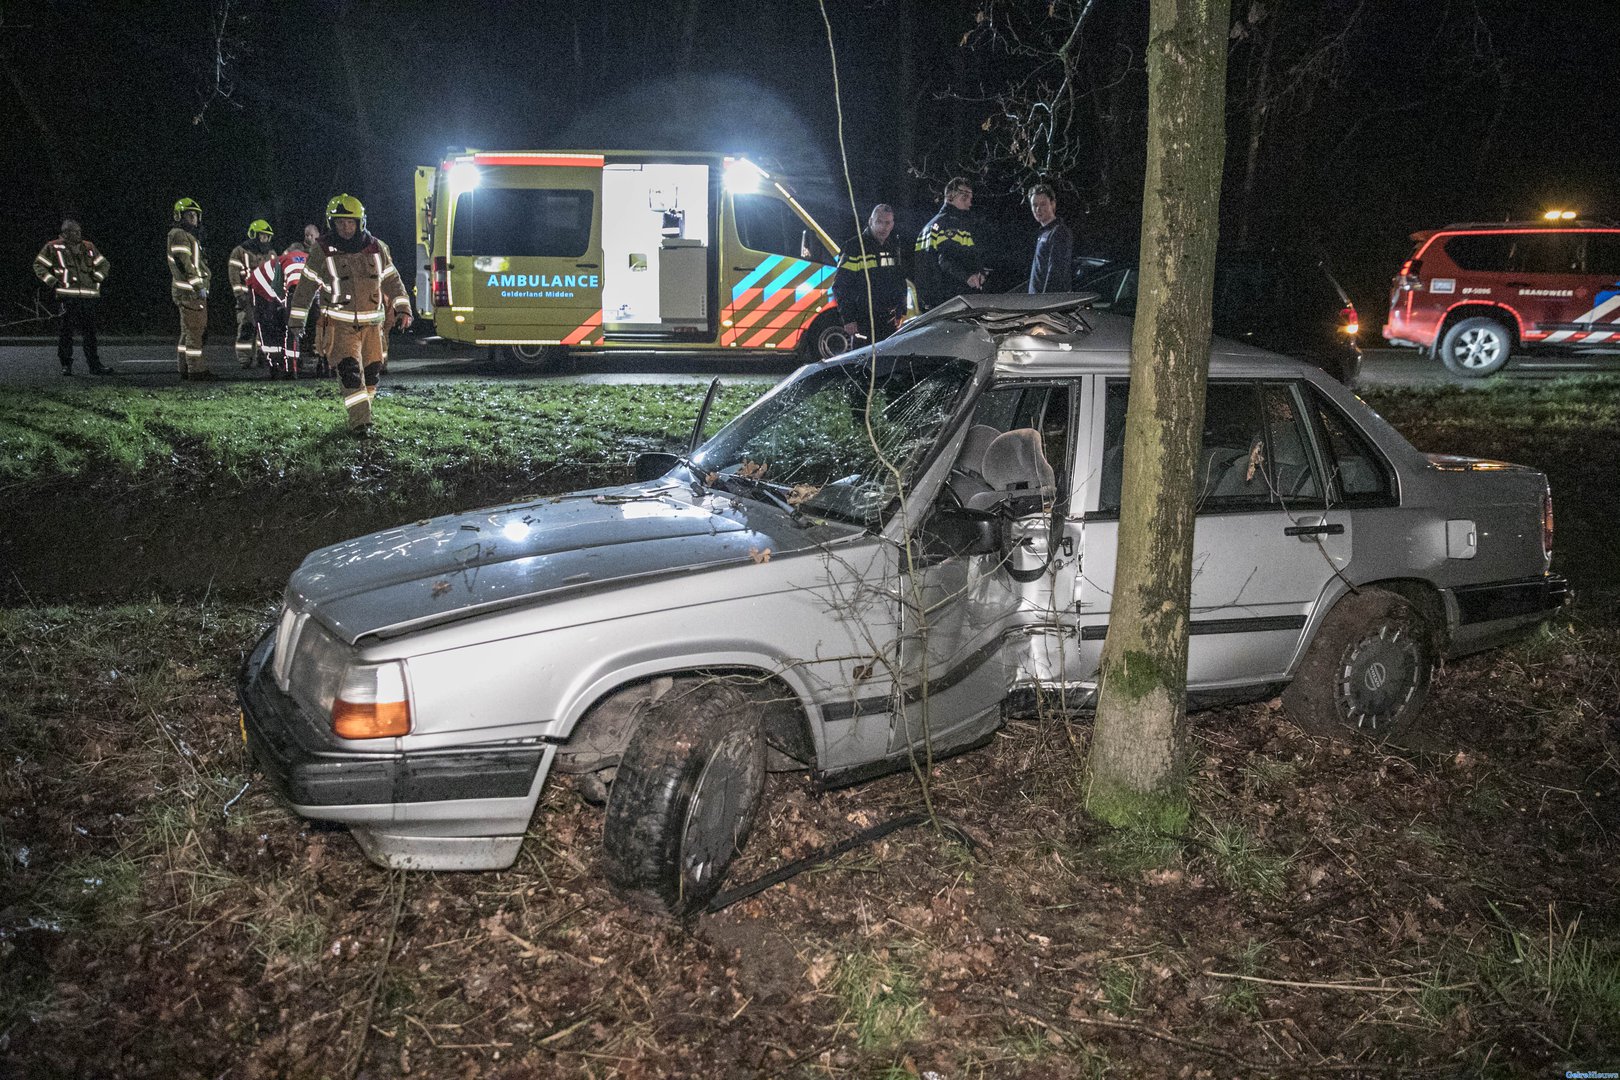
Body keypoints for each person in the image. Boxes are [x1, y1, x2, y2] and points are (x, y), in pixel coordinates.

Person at [286, 194, 412, 434]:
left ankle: (362, 413)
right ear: (331, 223)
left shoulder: (377, 248)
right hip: (338, 325)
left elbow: (392, 281)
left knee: (372, 374)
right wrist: (296, 320)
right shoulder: (321, 251)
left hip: (373, 327)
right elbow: (305, 287)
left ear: (360, 222)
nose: (345, 227)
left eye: (350, 222)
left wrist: (403, 308)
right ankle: (360, 424)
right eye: (340, 222)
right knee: (350, 373)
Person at [34, 219, 110, 376]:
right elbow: (38, 265)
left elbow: (104, 264)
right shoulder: (53, 246)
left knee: (90, 333)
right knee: (66, 332)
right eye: (74, 231)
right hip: (67, 297)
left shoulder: (88, 247)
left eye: (79, 231)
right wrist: (53, 282)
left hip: (88, 297)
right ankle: (66, 365)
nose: (78, 234)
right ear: (65, 233)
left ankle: (94, 365)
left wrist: (97, 276)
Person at [832, 204, 908, 342]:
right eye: (879, 221)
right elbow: (841, 285)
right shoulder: (854, 247)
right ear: (870, 221)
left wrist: (901, 310)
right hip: (863, 322)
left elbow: (899, 281)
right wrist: (848, 319)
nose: (883, 227)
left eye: (887, 223)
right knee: (865, 362)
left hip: (889, 321)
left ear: (892, 224)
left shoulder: (893, 247)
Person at [914, 177, 987, 310]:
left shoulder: (931, 226)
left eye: (970, 198)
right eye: (964, 197)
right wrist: (968, 277)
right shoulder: (950, 224)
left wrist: (979, 271)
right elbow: (946, 260)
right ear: (949, 196)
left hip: (932, 302)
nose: (969, 203)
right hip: (951, 300)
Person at [166, 197, 215, 381]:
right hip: (190, 292)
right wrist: (199, 285)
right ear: (180, 216)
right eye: (189, 215)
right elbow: (184, 263)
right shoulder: (179, 234)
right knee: (195, 331)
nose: (193, 219)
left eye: (195, 215)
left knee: (187, 332)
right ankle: (196, 370)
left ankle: (184, 367)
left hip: (187, 291)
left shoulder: (187, 235)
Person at [247, 247, 309, 379]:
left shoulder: (315, 267)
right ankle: (278, 365)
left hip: (278, 287)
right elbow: (294, 316)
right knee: (271, 326)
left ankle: (285, 365)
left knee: (287, 325)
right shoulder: (298, 268)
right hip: (261, 286)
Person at [229, 220, 278, 367]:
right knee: (246, 328)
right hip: (246, 298)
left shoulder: (271, 254)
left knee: (264, 329)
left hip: (265, 299)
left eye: (267, 237)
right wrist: (239, 295)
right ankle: (244, 359)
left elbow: (277, 276)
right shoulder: (239, 251)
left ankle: (262, 356)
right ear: (253, 235)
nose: (265, 239)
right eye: (262, 236)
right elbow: (233, 275)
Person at [1027, 183, 1074, 293]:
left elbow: (1056, 273)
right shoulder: (1043, 233)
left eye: (1043, 204)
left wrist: (1047, 304)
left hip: (1047, 305)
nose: (1038, 209)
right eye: (1034, 205)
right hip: (1036, 303)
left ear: (1053, 204)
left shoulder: (1059, 232)